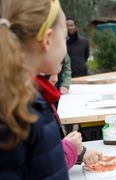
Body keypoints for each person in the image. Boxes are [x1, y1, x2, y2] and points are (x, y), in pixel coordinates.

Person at [0, 0, 69, 179]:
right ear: (47, 39)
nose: (65, 45)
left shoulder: (14, 96)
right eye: (65, 37)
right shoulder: (26, 109)